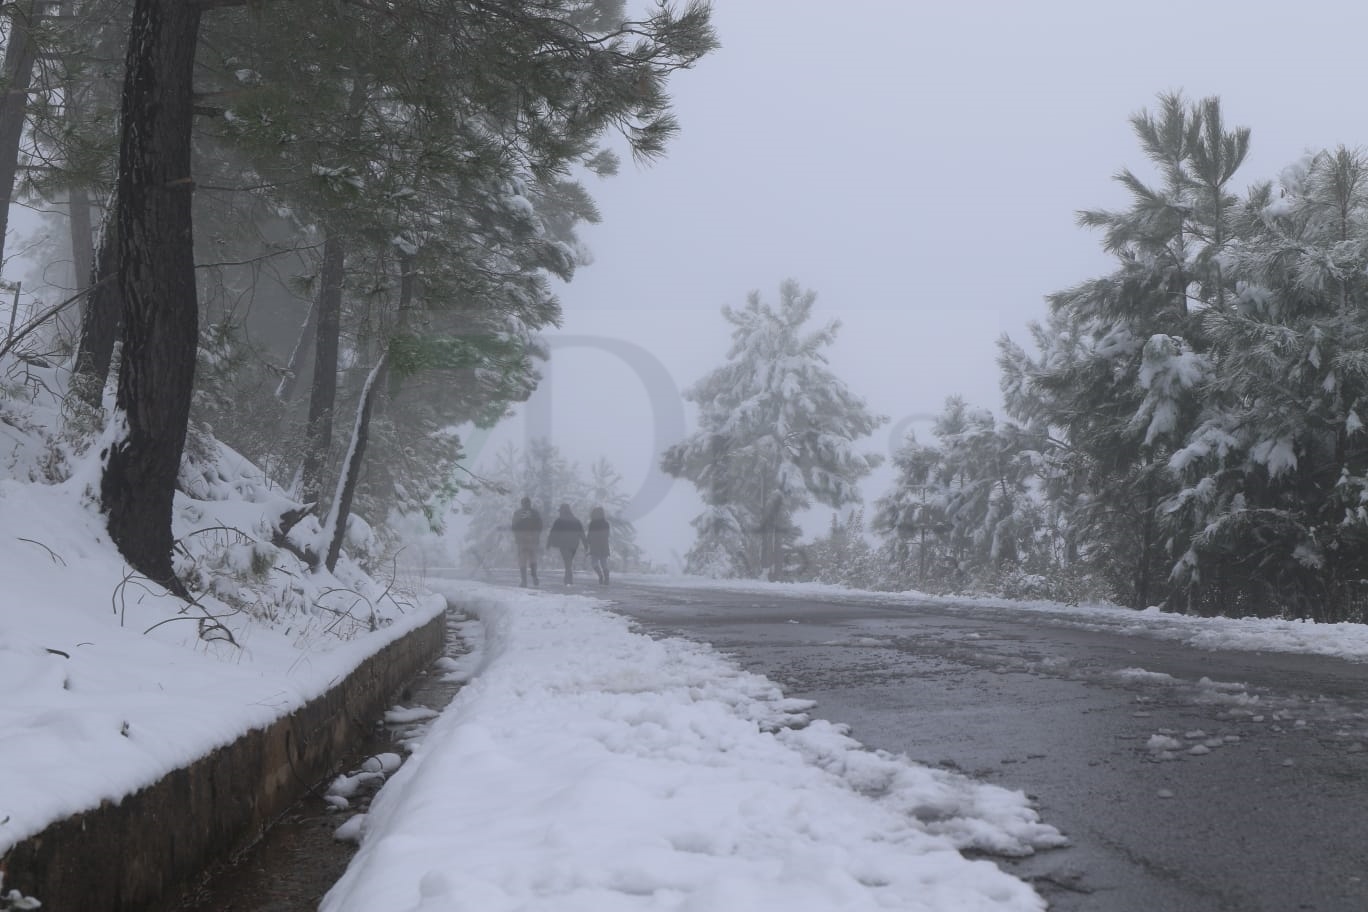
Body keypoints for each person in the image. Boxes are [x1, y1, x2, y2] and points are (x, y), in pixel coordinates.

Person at [546, 503, 587, 585]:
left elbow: (553, 532)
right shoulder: (576, 520)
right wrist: (585, 544)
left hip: (563, 543)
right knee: (569, 560)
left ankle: (568, 577)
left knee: (567, 560)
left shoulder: (559, 520)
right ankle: (568, 577)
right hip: (574, 544)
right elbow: (581, 533)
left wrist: (549, 543)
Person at [510, 497, 543, 587]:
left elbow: (513, 527)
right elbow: (540, 526)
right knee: (533, 559)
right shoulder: (535, 513)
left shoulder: (517, 513)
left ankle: (524, 581)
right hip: (533, 539)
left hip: (522, 540)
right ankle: (534, 576)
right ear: (530, 503)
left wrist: (517, 537)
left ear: (522, 504)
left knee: (522, 560)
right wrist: (536, 536)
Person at [587, 506, 611, 586]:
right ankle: (606, 578)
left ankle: (600, 576)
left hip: (595, 546)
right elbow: (607, 535)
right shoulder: (606, 523)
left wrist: (588, 542)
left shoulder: (592, 523)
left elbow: (589, 535)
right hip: (604, 546)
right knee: (604, 562)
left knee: (594, 563)